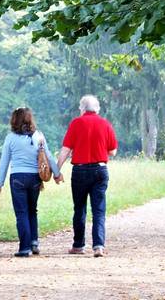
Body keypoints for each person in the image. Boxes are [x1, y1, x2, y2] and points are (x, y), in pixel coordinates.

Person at [56, 95, 117, 258]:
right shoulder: (105, 124)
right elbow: (113, 151)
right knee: (98, 210)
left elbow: (66, 149)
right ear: (97, 108)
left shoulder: (76, 123)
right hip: (100, 170)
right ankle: (98, 246)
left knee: (79, 208)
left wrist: (56, 170)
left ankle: (78, 245)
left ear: (82, 108)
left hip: (80, 171)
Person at [0, 107, 62, 257]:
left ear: (14, 120)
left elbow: (4, 162)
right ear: (30, 119)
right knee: (33, 210)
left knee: (21, 213)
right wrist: (57, 174)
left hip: (17, 178)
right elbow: (49, 157)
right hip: (34, 178)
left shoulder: (10, 138)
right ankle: (34, 243)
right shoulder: (38, 136)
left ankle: (24, 248)